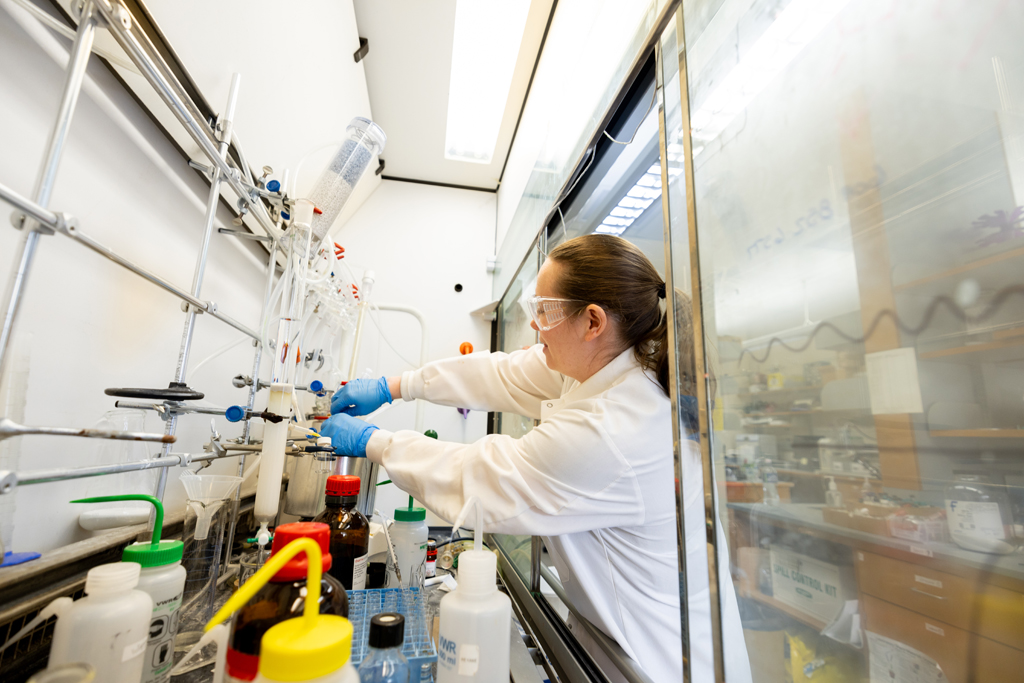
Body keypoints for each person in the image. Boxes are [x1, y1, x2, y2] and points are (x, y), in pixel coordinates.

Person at [321, 234, 749, 682]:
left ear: (592, 321)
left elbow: (482, 480)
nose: (534, 325)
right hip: (614, 640)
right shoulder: (609, 365)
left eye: (544, 310)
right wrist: (396, 385)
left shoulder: (616, 427)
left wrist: (376, 442)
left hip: (656, 662)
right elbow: (501, 372)